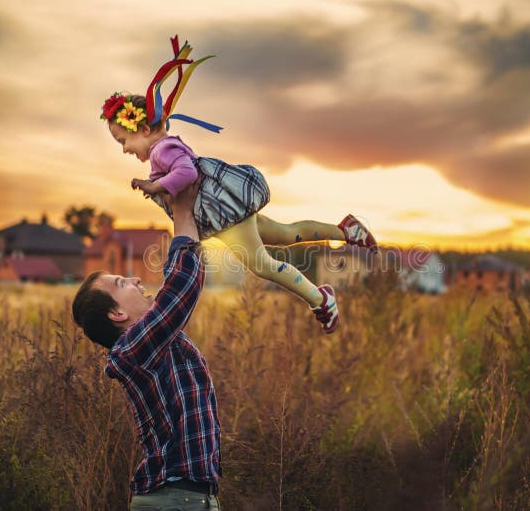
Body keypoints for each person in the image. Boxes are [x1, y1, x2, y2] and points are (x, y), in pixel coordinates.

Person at [100, 36, 378, 334]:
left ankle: (320, 299)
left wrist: (156, 186)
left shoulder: (161, 151)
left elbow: (187, 173)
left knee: (262, 265)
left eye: (123, 141)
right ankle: (346, 230)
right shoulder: (163, 148)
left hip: (225, 216)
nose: (125, 149)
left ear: (143, 129)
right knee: (285, 233)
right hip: (228, 212)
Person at [72, 181, 221, 510]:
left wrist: (185, 216)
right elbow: (180, 290)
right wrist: (183, 211)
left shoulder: (152, 342)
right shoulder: (131, 352)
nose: (137, 279)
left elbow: (175, 286)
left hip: (188, 498)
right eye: (123, 283)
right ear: (117, 313)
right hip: (173, 500)